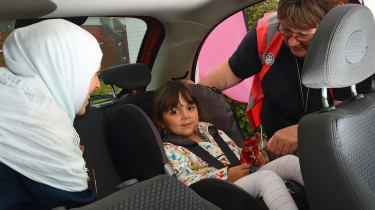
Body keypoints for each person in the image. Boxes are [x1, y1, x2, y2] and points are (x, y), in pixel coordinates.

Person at [197, 0, 373, 159]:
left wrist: (301, 132)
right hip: (276, 148)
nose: (292, 42)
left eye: (302, 34)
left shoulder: (348, 43)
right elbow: (231, 71)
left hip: (331, 146)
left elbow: (348, 114)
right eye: (286, 31)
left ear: (325, 26)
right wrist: (190, 94)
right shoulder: (267, 32)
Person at [153, 80, 304, 210]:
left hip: (242, 176)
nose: (185, 115)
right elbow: (186, 182)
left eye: (190, 108)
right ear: (161, 121)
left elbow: (235, 152)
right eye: (175, 112)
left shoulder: (210, 131)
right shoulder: (171, 149)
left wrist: (253, 157)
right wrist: (226, 175)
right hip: (217, 195)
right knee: (266, 178)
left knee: (289, 162)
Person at [0, 19, 102, 210]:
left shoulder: (9, 98)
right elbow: (81, 205)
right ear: (66, 70)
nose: (97, 84)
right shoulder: (38, 123)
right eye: (93, 73)